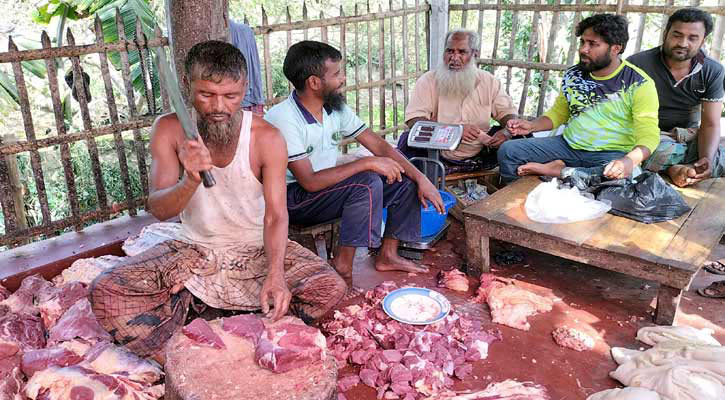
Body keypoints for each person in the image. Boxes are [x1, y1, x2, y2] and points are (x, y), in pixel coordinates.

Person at [90, 41, 346, 359]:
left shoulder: (266, 137)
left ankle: (220, 324)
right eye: (206, 95)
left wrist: (276, 274)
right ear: (188, 85)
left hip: (254, 249)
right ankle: (187, 356)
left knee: (330, 289)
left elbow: (276, 217)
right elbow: (159, 209)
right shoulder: (169, 130)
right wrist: (190, 180)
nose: (218, 108)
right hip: (192, 249)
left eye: (231, 96)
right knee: (105, 291)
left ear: (245, 88)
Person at [264, 40, 445, 297]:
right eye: (336, 74)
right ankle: (343, 266)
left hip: (324, 190)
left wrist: (420, 178)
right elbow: (310, 182)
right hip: (292, 199)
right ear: (314, 82)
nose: (343, 78)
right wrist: (367, 162)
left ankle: (388, 254)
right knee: (366, 182)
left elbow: (379, 145)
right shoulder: (284, 118)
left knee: (401, 177)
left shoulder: (333, 107)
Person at [498, 14, 660, 183]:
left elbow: (648, 135)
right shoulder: (574, 74)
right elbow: (559, 113)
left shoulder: (639, 83)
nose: (583, 49)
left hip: (611, 153)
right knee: (509, 151)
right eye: (583, 42)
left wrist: (628, 161)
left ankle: (560, 171)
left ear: (616, 48)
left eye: (593, 44)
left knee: (622, 178)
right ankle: (524, 197)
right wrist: (532, 126)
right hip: (567, 145)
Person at [628, 7, 724, 188]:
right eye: (677, 35)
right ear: (665, 34)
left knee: (709, 150)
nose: (683, 43)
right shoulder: (637, 64)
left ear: (703, 40)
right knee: (635, 151)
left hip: (686, 135)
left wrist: (706, 159)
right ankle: (675, 168)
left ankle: (684, 167)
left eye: (692, 38)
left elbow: (711, 123)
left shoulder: (712, 70)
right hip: (646, 135)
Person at [404, 29, 518, 162]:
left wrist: (507, 131)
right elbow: (414, 121)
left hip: (480, 150)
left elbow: (507, 113)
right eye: (450, 51)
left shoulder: (489, 81)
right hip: (436, 151)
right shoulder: (428, 81)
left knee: (519, 143)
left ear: (474, 54)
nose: (454, 58)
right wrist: (454, 131)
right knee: (408, 151)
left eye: (462, 52)